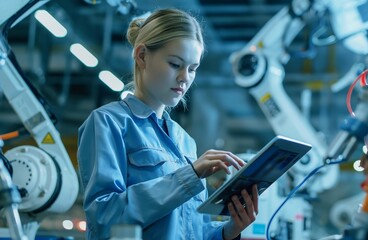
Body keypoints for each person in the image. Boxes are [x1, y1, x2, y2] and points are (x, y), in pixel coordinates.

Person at [77, 8, 259, 240]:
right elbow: (104, 218)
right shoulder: (108, 123)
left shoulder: (185, 141)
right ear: (142, 55)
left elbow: (194, 232)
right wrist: (188, 177)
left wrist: (230, 230)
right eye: (175, 64)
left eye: (192, 69)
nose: (185, 77)